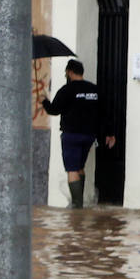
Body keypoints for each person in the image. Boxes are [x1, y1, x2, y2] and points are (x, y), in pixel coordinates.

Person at [41, 59, 116, 208]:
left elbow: (54, 110)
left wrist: (44, 101)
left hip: (71, 135)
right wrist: (110, 133)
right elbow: (104, 113)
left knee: (72, 169)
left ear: (69, 72)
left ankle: (77, 205)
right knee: (80, 166)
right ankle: (80, 201)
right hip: (89, 136)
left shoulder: (66, 90)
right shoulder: (95, 90)